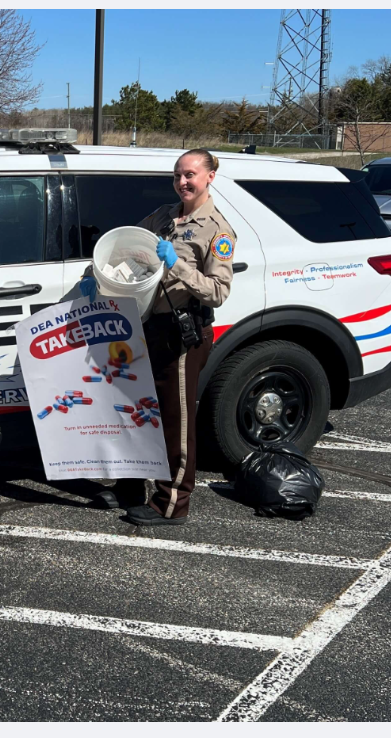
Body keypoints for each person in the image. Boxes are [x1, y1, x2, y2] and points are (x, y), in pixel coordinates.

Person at [78, 148, 235, 525]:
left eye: (191, 175)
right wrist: (93, 275)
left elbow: (218, 291)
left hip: (183, 331)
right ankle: (130, 486)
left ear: (210, 176)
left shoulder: (218, 229)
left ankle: (172, 503)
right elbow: (125, 246)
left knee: (174, 420)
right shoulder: (164, 215)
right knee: (137, 410)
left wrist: (176, 263)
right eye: (178, 174)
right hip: (147, 325)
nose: (183, 181)